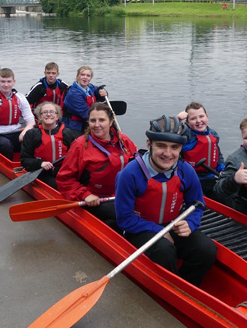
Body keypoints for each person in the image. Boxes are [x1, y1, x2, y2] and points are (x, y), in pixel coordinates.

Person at [115, 115, 217, 287]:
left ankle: (187, 287)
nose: (168, 154)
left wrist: (190, 223)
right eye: (161, 146)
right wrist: (159, 231)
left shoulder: (186, 171)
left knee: (207, 250)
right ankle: (172, 288)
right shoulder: (129, 174)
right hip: (138, 230)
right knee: (164, 250)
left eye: (174, 147)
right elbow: (124, 219)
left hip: (172, 225)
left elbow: (198, 205)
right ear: (149, 144)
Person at [56, 103, 137, 229]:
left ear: (111, 122)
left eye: (102, 120)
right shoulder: (80, 145)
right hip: (94, 199)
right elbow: (64, 179)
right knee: (123, 214)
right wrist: (85, 195)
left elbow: (137, 166)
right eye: (93, 120)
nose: (97, 125)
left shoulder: (123, 140)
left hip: (121, 195)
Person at [20, 102, 76, 189]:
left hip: (62, 171)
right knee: (59, 186)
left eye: (52, 112)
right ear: (40, 117)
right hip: (41, 171)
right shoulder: (32, 134)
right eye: (45, 112)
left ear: (57, 116)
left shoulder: (67, 133)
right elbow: (25, 160)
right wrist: (41, 163)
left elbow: (75, 158)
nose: (48, 114)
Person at [176, 102, 225, 198]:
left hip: (211, 176)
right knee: (200, 197)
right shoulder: (185, 136)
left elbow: (218, 155)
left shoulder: (213, 134)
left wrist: (222, 170)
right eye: (193, 119)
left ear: (207, 117)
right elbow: (170, 135)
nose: (198, 121)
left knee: (223, 196)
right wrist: (177, 120)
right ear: (187, 122)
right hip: (191, 178)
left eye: (201, 117)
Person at [62, 66, 107, 138]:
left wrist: (103, 92)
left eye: (88, 76)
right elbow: (84, 113)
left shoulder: (90, 87)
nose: (85, 77)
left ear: (90, 79)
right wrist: (104, 116)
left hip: (87, 122)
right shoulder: (73, 93)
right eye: (82, 75)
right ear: (77, 77)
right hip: (74, 126)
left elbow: (98, 90)